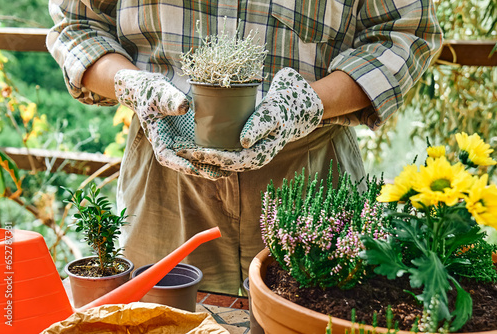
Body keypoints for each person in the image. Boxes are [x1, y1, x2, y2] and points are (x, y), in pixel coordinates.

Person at [47, 1, 442, 295]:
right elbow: (78, 23)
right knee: (155, 316)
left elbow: (404, 31)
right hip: (164, 178)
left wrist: (306, 104)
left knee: (320, 313)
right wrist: (131, 84)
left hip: (312, 178)